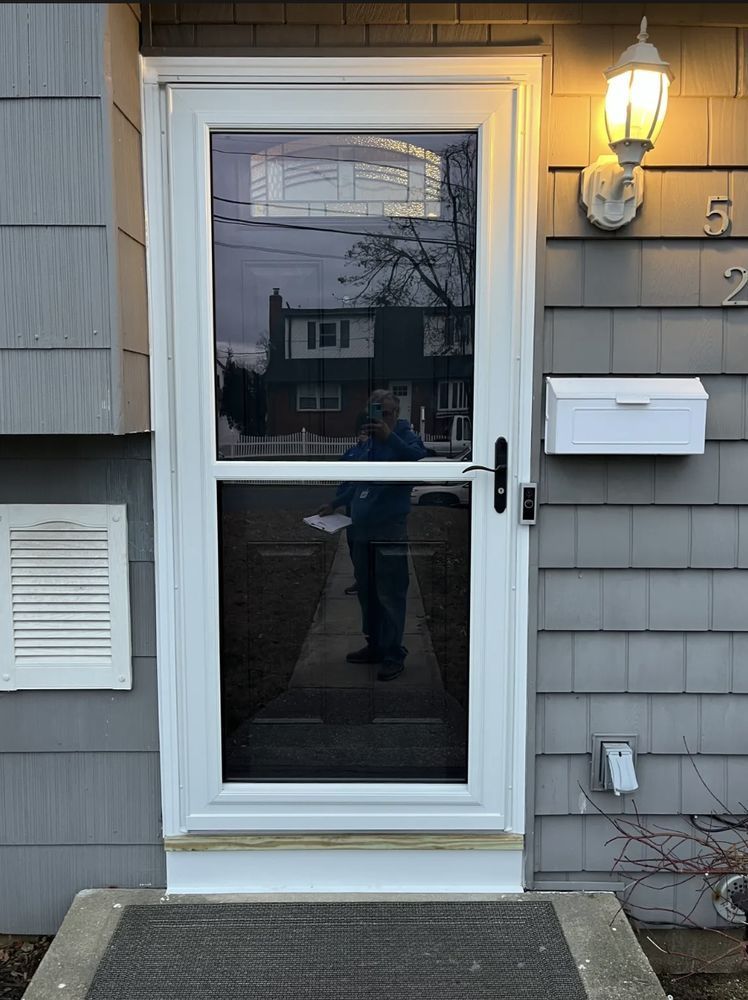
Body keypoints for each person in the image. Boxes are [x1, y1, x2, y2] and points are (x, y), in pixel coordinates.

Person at [317, 390, 427, 681]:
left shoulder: (404, 435)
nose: (382, 418)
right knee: (367, 592)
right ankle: (375, 645)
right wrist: (336, 503)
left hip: (389, 529)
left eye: (388, 412)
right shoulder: (367, 441)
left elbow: (417, 457)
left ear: (397, 413)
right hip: (360, 530)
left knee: (390, 593)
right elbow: (358, 478)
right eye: (376, 412)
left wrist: (388, 435)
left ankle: (393, 653)